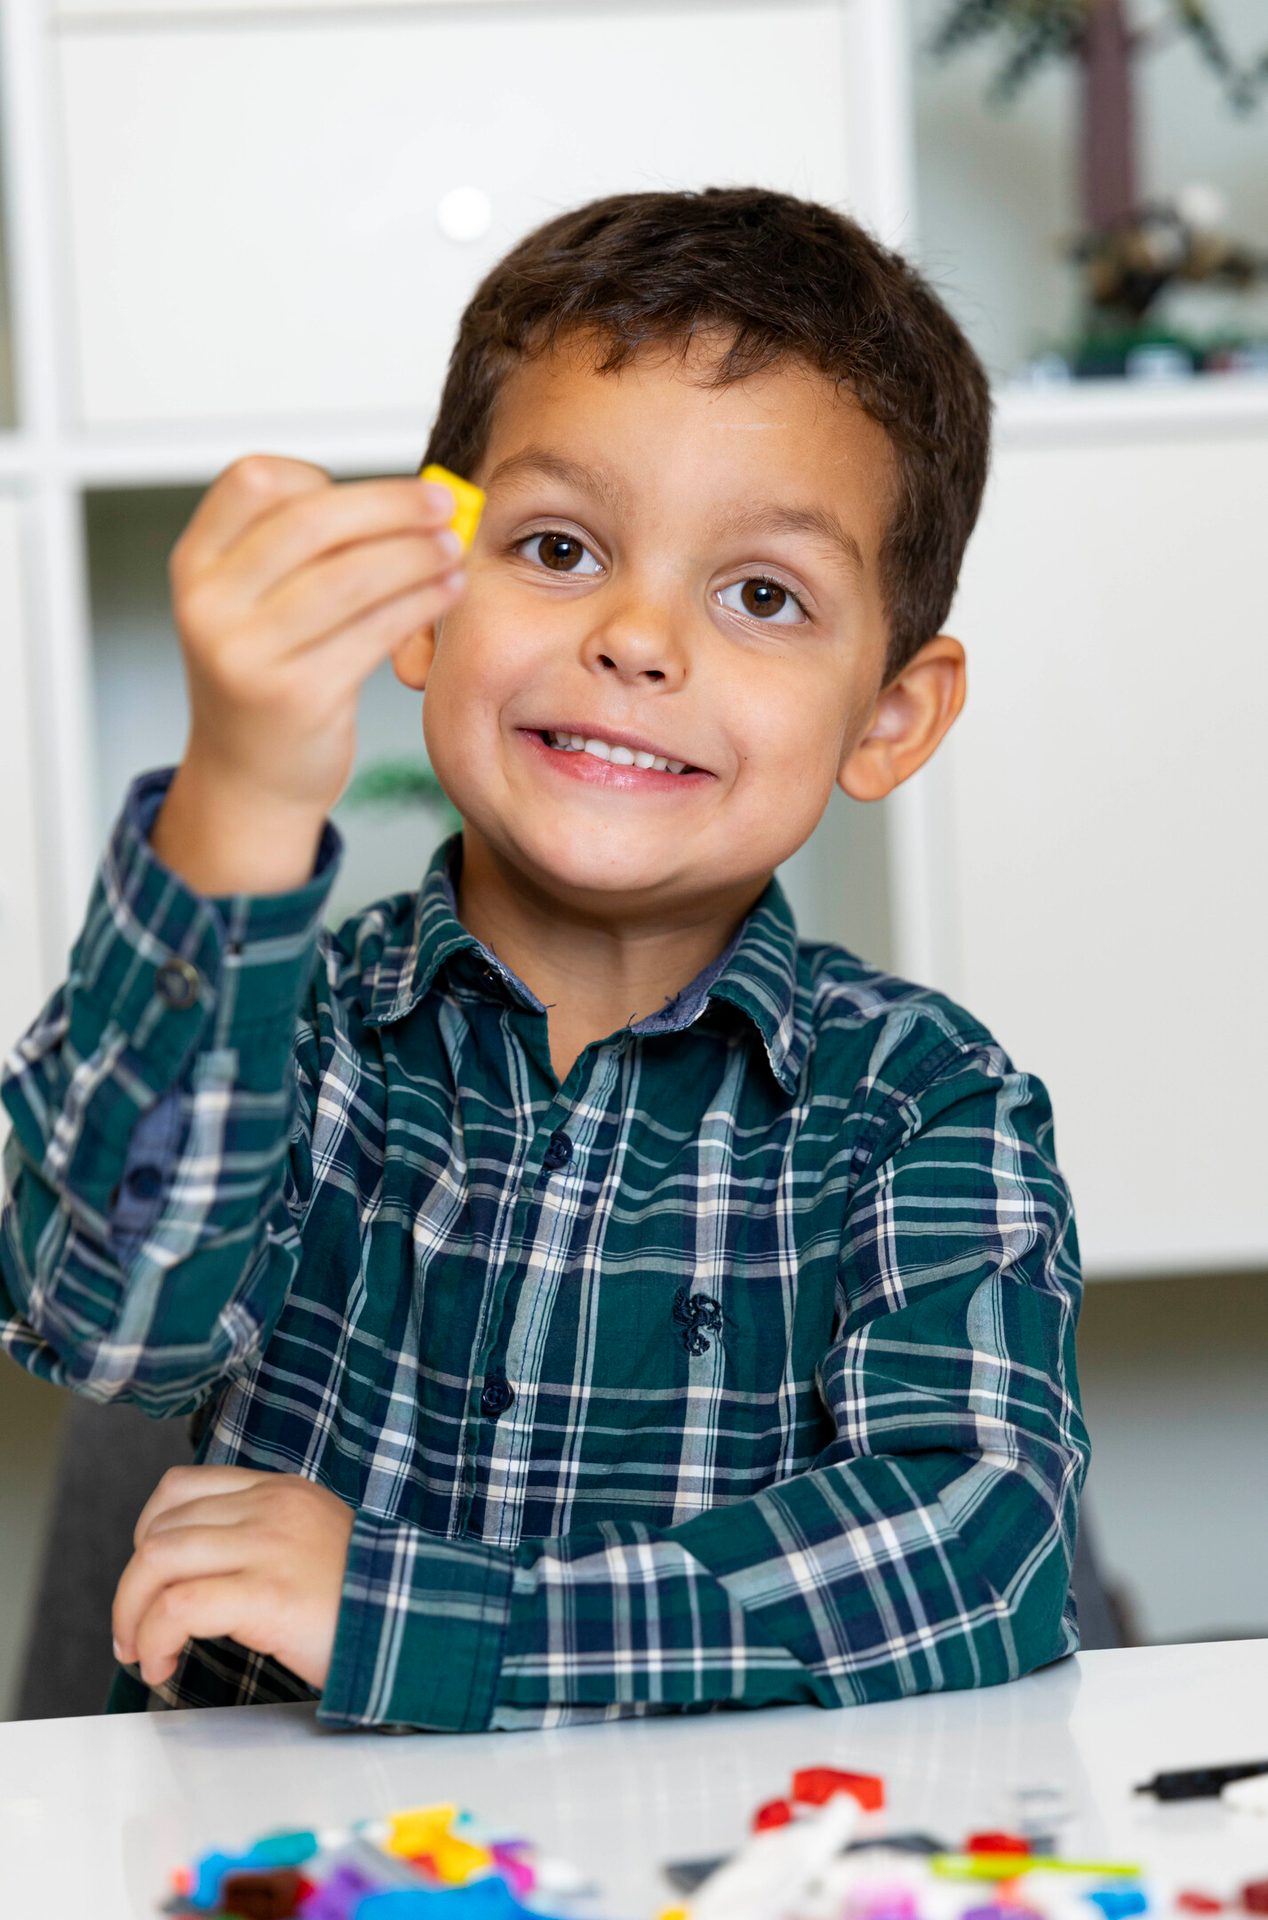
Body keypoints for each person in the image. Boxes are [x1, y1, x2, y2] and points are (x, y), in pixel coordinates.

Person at [0, 186, 1090, 1731]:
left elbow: (976, 1557)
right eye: (563, 547)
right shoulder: (295, 1038)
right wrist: (236, 797)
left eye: (762, 594)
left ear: (891, 716)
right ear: (427, 606)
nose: (640, 639)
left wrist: (412, 1614)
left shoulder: (924, 1102)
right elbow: (98, 1312)